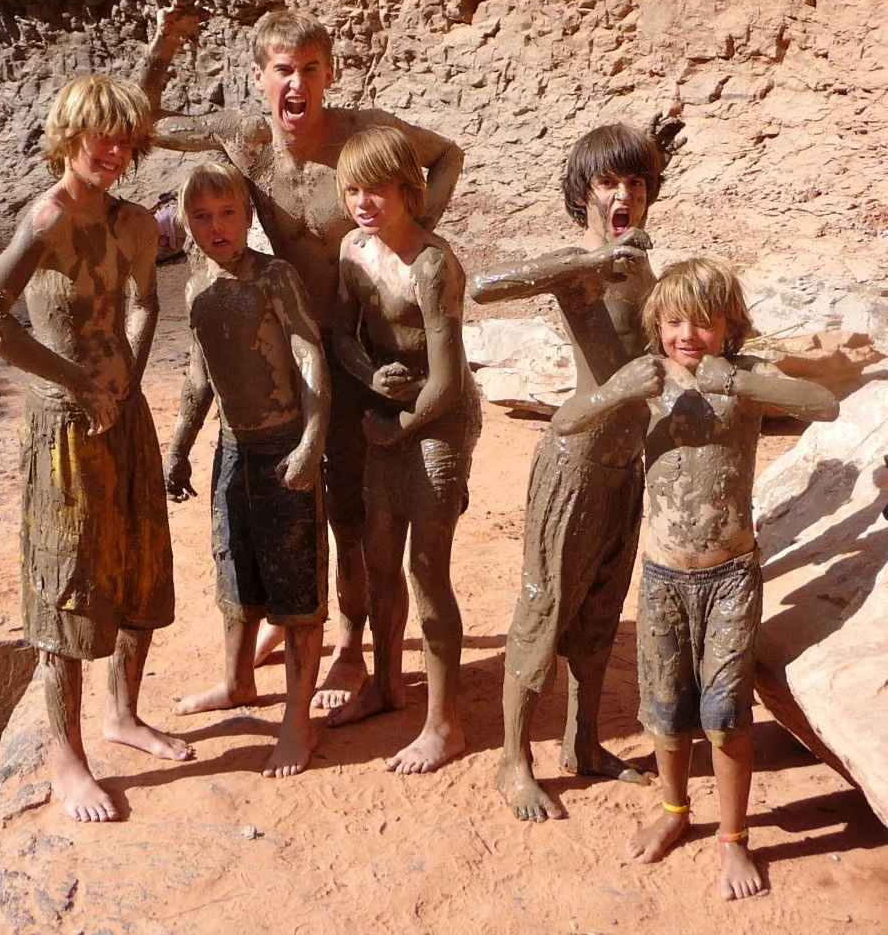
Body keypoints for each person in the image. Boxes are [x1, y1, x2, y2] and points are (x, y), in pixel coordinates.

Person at [138, 0, 464, 708]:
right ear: (259, 77)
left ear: (328, 73)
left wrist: (412, 230)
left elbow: (447, 155)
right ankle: (284, 628)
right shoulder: (245, 140)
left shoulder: (362, 136)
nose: (297, 84)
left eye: (311, 69)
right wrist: (165, 45)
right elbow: (146, 122)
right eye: (284, 69)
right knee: (280, 499)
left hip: (356, 346)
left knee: (349, 509)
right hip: (282, 353)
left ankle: (348, 647)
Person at [551, 257, 839, 899]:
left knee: (726, 713)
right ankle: (676, 810)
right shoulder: (649, 381)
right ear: (657, 323)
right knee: (664, 706)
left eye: (705, 323)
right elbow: (567, 421)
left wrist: (733, 381)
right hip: (662, 576)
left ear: (730, 327)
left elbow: (823, 404)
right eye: (675, 320)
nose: (688, 334)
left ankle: (734, 839)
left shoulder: (745, 379)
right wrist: (619, 388)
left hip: (730, 576)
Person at [0, 74, 192, 823]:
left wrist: (125, 377)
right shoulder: (47, 218)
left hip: (123, 417)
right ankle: (66, 757)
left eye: (128, 139)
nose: (117, 151)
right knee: (67, 582)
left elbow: (147, 303)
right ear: (69, 135)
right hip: (64, 427)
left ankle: (122, 715)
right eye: (103, 137)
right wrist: (76, 383)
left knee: (140, 562)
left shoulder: (132, 225)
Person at [470, 117, 684, 821]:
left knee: (597, 612)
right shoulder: (577, 265)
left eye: (635, 182)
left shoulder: (641, 262)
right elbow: (488, 288)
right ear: (581, 191)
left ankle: (583, 743)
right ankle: (512, 761)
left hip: (621, 470)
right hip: (572, 468)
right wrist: (586, 264)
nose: (623, 194)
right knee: (543, 608)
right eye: (606, 183)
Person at [163, 162, 330, 779]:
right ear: (187, 224)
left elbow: (309, 353)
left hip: (283, 442)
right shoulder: (197, 287)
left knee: (295, 586)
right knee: (233, 564)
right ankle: (236, 681)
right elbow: (199, 373)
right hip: (232, 448)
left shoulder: (273, 277)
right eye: (202, 217)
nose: (216, 227)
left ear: (248, 215)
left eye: (227, 213)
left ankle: (297, 718)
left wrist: (312, 438)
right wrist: (179, 445)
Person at [324, 127, 481, 773]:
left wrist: (399, 426)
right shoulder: (352, 252)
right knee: (378, 557)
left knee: (426, 571)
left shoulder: (432, 264)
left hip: (436, 423)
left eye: (375, 189)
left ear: (407, 190)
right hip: (385, 414)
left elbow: (446, 380)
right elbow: (341, 334)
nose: (362, 202)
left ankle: (443, 724)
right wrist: (367, 379)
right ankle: (386, 687)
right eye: (351, 189)